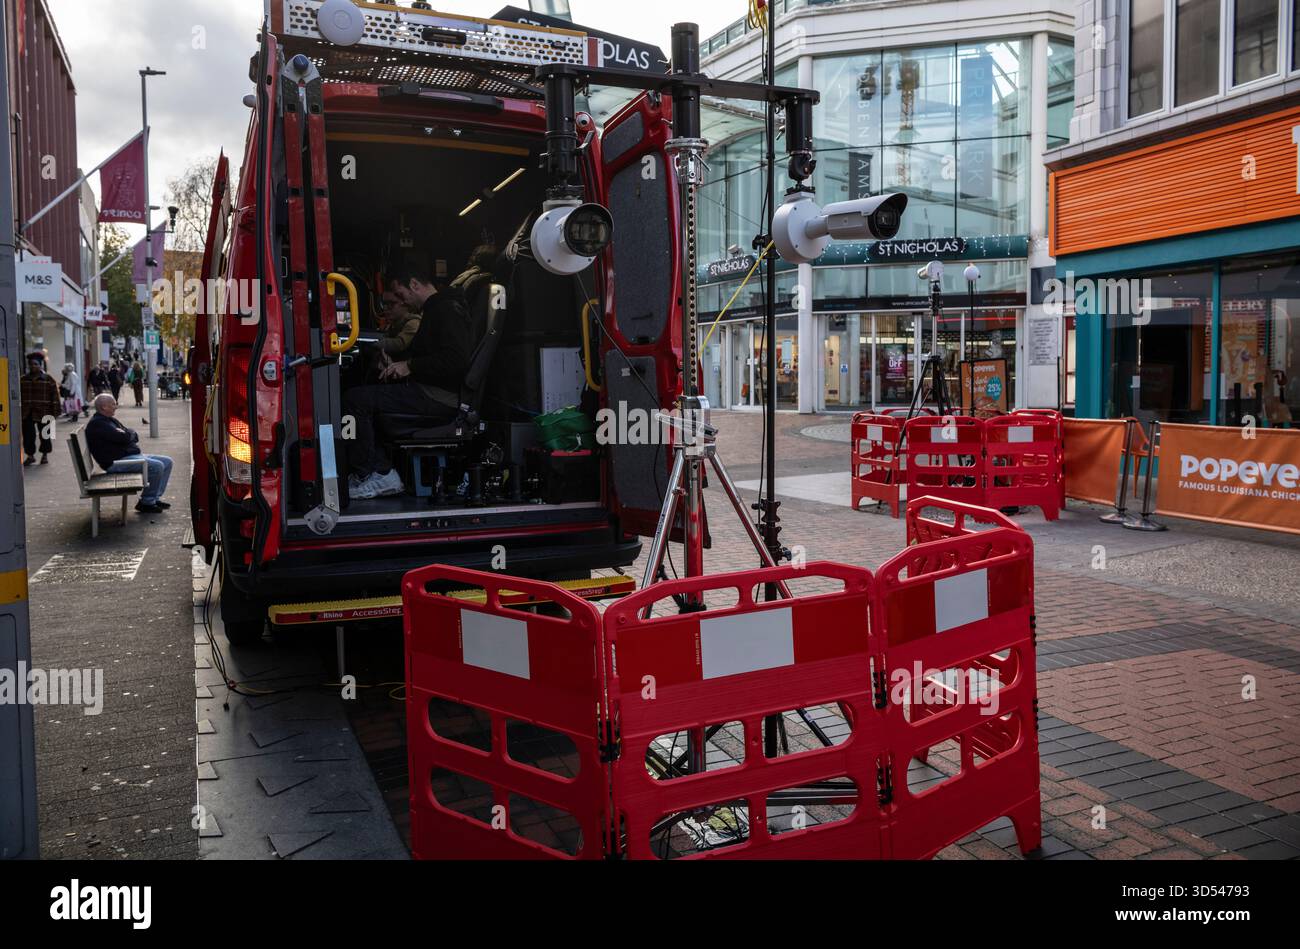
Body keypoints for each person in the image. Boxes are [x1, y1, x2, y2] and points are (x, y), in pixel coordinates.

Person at [342, 263, 474, 499]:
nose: (402, 302)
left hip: (439, 397)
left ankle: (371, 473)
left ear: (414, 285)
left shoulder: (446, 310)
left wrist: (409, 366)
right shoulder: (437, 310)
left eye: (401, 295)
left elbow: (456, 360)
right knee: (363, 395)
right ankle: (379, 471)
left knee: (354, 401)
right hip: (428, 390)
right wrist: (395, 364)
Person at [84, 394, 174, 514]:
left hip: (125, 456)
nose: (116, 407)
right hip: (115, 462)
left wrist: (127, 434)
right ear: (104, 407)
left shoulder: (109, 420)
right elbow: (125, 437)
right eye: (113, 404)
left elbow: (130, 433)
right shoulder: (99, 424)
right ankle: (146, 502)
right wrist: (127, 435)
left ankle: (154, 498)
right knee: (156, 466)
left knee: (167, 461)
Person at [20, 353, 61, 466]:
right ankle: (30, 456)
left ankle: (45, 455)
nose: (33, 366)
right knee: (28, 435)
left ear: (40, 365)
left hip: (45, 412)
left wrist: (56, 412)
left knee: (46, 435)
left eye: (35, 364)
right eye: (31, 364)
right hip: (27, 412)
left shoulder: (48, 379)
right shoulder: (23, 380)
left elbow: (55, 396)